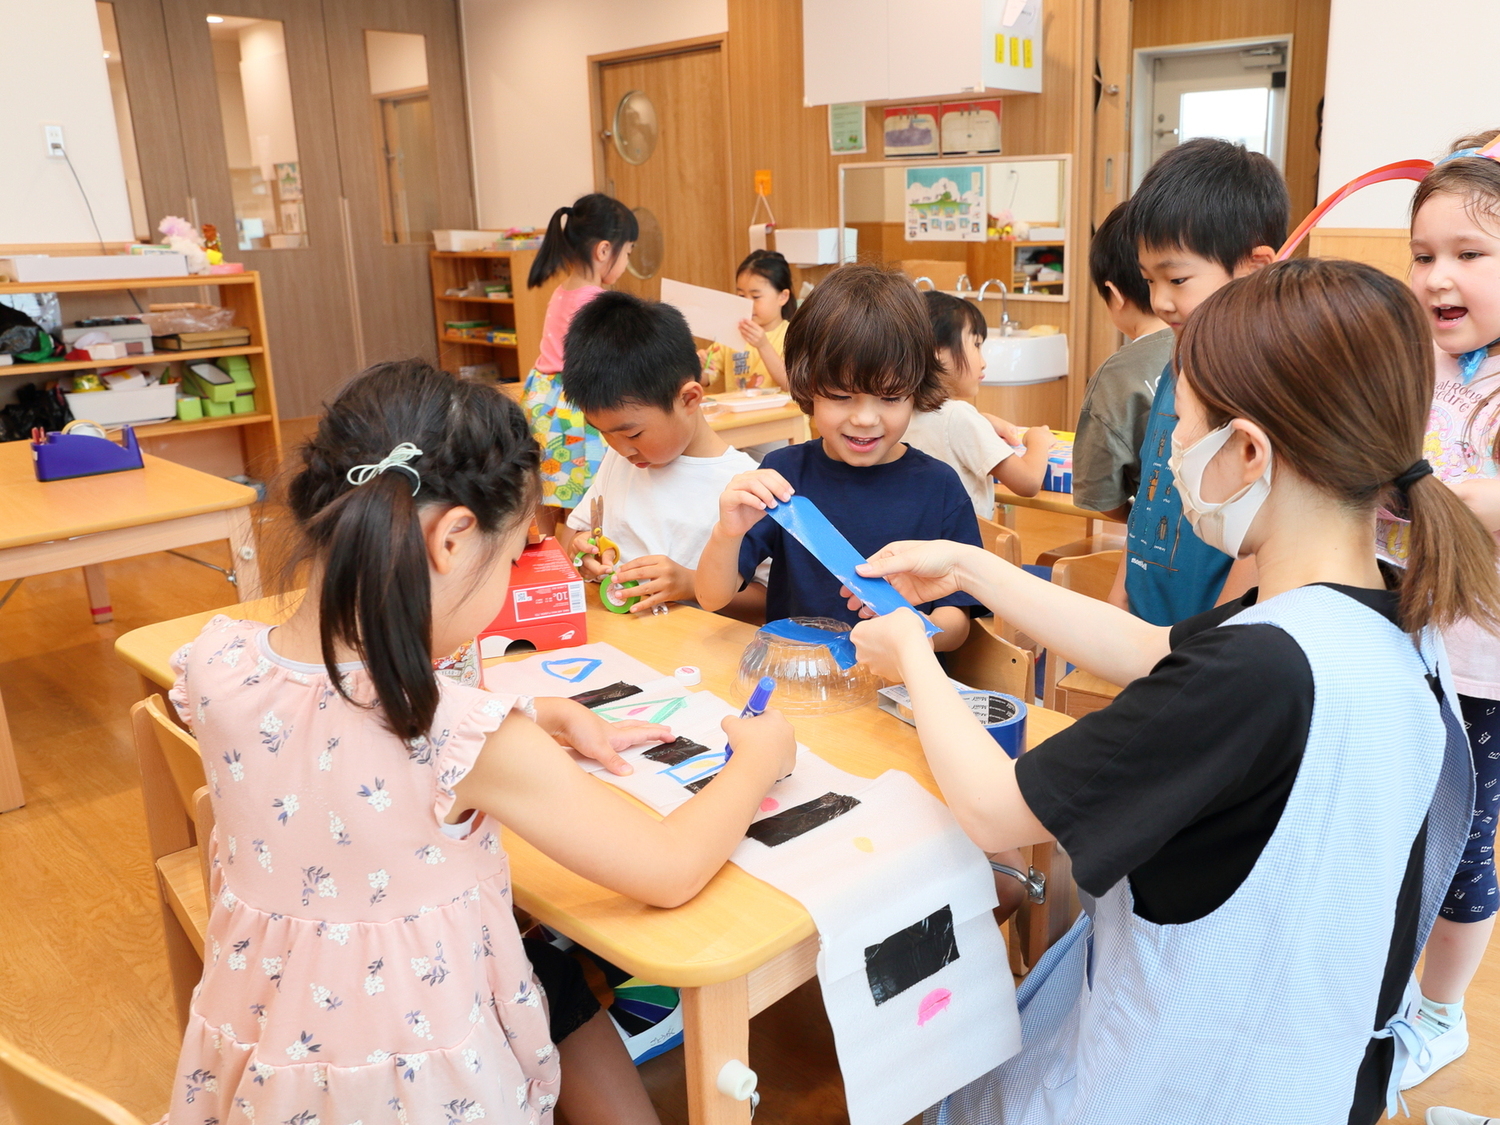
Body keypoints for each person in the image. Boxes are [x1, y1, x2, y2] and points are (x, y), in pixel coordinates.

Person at [849, 259, 1497, 1124]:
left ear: (1250, 450)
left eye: (1182, 428)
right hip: (1312, 1072)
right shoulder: (1386, 619)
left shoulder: (1257, 672)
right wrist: (971, 566)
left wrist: (912, 657)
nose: (1173, 454)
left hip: (1176, 1083)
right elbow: (1155, 647)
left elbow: (998, 811)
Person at [163, 361, 795, 1125]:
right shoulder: (458, 735)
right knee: (560, 964)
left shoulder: (216, 662)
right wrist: (759, 757)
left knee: (552, 968)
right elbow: (666, 868)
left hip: (269, 1042)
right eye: (512, 556)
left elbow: (341, 753)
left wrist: (530, 714)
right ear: (455, 540)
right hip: (419, 1076)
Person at [695, 264, 980, 652]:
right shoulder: (783, 474)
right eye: (842, 396)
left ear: (917, 390)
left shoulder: (939, 486)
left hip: (898, 690)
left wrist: (915, 632)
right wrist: (726, 533)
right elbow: (713, 597)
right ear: (808, 387)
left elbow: (958, 621)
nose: (864, 418)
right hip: (799, 685)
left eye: (891, 397)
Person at [1390, 131, 1500, 1089]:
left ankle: (1442, 1011)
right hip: (1403, 645)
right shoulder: (1419, 365)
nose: (1438, 276)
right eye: (1423, 255)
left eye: (1470, 254)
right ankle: (1389, 989)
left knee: (1463, 847)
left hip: (1485, 673)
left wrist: (1433, 489)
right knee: (1396, 828)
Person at [1120, 138, 1286, 624]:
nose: (1160, 302)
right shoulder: (1182, 357)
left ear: (1254, 268)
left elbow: (1262, 540)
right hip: (1148, 623)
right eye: (1148, 280)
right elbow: (1150, 491)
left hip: (1208, 633)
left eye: (1176, 280)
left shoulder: (1263, 383)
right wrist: (1122, 592)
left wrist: (1211, 636)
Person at [558, 291, 764, 617]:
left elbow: (768, 599)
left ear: (689, 399)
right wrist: (581, 550)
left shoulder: (743, 485)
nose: (619, 448)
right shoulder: (619, 461)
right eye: (603, 433)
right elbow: (572, 529)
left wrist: (690, 584)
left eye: (633, 434)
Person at [522, 192, 638, 519]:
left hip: (542, 404)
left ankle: (547, 568)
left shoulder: (562, 292)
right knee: (585, 508)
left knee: (547, 499)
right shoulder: (597, 300)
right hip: (574, 409)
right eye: (627, 252)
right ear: (604, 250)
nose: (627, 261)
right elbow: (612, 360)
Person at [903, 291, 1056, 520]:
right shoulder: (958, 416)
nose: (983, 362)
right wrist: (1038, 441)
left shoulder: (897, 410)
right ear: (936, 354)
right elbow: (1028, 483)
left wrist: (981, 419)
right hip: (965, 549)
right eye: (975, 345)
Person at [1071, 201, 1172, 524]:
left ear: (1113, 293)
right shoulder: (1229, 344)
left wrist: (1139, 517)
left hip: (1160, 549)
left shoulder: (1117, 376)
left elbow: (1100, 493)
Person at [700, 249, 795, 392]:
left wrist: (763, 345)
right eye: (741, 296)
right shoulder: (731, 333)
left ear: (783, 297)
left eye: (756, 297)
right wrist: (696, 366)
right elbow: (706, 378)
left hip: (781, 414)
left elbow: (792, 385)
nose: (748, 304)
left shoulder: (793, 336)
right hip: (740, 414)